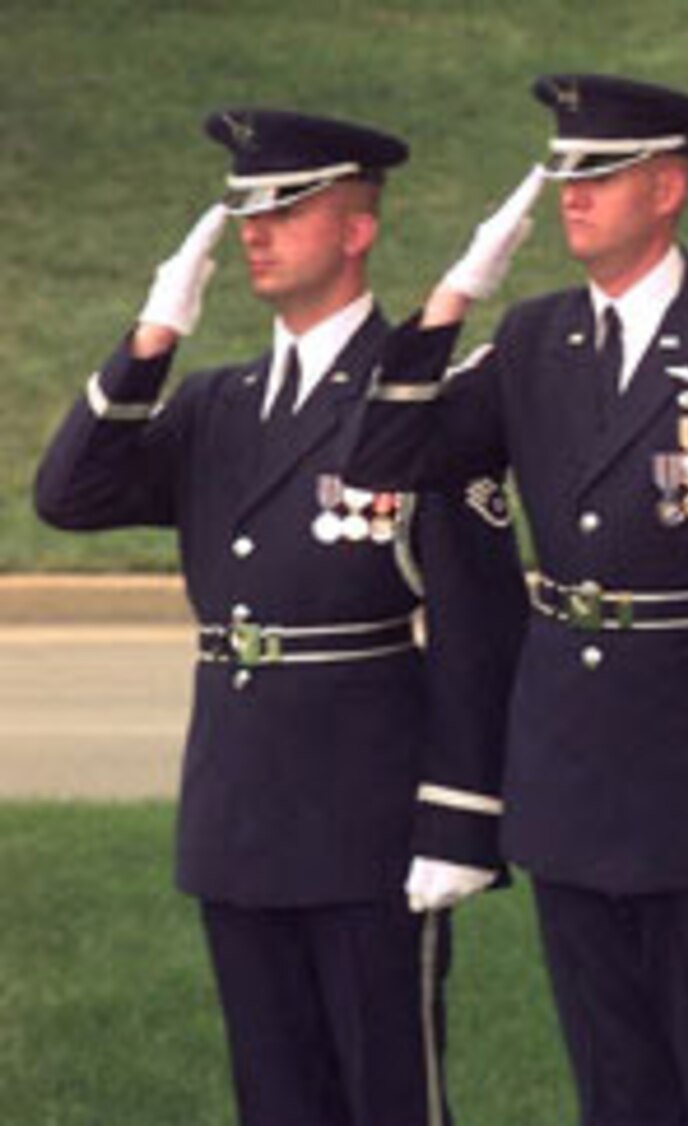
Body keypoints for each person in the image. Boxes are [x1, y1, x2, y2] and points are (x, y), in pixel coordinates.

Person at [340, 74, 688, 1125]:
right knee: (610, 1079)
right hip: (569, 763)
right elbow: (388, 455)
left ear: (666, 186)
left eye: (599, 175)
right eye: (564, 173)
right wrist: (450, 303)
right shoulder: (534, 340)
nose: (570, 196)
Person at [33, 108, 526, 1126]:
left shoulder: (417, 393)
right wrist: (150, 340)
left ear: (355, 230)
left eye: (286, 210)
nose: (255, 230)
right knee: (276, 1099)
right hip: (240, 805)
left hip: (367, 814)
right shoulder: (220, 403)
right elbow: (69, 496)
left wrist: (460, 819)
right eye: (246, 210)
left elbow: (481, 633)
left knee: (387, 1095)